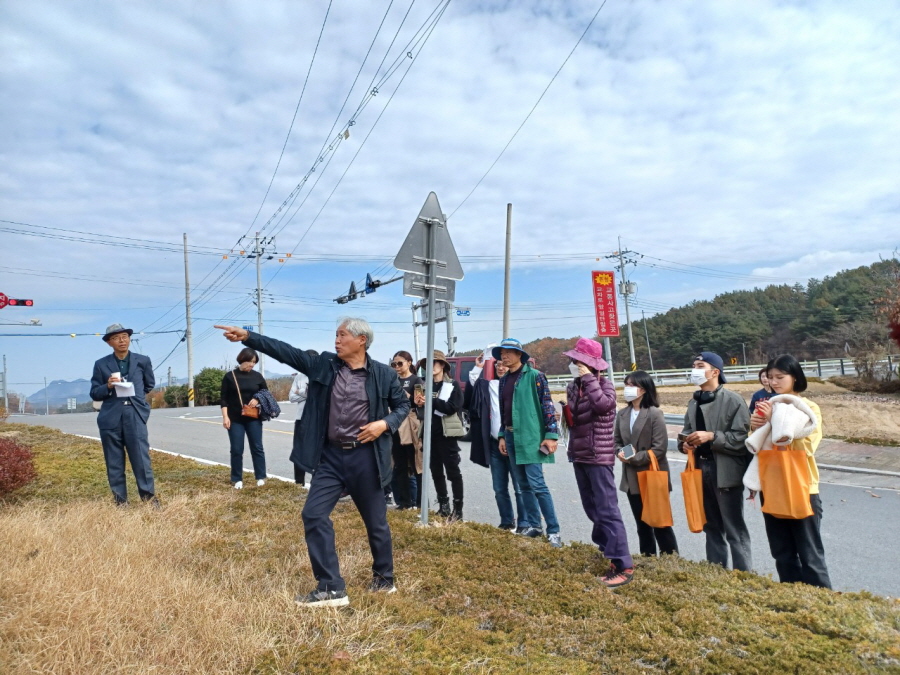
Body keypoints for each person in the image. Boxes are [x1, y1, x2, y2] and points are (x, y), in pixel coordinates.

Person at [214, 319, 409, 608]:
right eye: (336, 335)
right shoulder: (324, 366)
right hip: (330, 457)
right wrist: (249, 337)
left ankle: (384, 578)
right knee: (314, 514)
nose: (337, 340)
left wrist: (384, 423)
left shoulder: (383, 374)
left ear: (361, 340)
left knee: (375, 522)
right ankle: (331, 587)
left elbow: (403, 406)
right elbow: (286, 352)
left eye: (342, 335)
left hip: (365, 457)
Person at [751, 355, 831, 588]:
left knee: (810, 555)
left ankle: (823, 607)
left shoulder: (808, 408)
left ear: (795, 377)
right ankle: (791, 603)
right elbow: (756, 448)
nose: (774, 382)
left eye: (780, 377)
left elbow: (806, 447)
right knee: (782, 553)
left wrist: (773, 422)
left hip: (801, 487)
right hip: (772, 486)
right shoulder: (768, 407)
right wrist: (755, 426)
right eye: (770, 377)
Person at [564, 338, 633, 586]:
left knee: (607, 509)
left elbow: (603, 406)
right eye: (572, 360)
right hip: (580, 453)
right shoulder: (573, 387)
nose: (573, 364)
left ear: (589, 364)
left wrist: (590, 380)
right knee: (592, 508)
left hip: (598, 455)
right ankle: (609, 552)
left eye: (577, 361)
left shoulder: (605, 386)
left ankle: (624, 564)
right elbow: (576, 417)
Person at [678, 352, 753, 572]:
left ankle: (744, 576)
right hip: (701, 468)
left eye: (700, 366)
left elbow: (743, 439)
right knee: (710, 526)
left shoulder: (733, 400)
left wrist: (712, 436)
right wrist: (685, 444)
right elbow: (686, 432)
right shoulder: (694, 401)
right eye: (693, 365)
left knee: (733, 527)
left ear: (715, 372)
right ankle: (716, 573)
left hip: (726, 471)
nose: (694, 370)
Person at [494, 338, 562, 547]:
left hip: (531, 436)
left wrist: (551, 435)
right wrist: (502, 435)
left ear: (519, 355)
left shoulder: (535, 376)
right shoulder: (504, 379)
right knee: (523, 485)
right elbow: (504, 411)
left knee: (537, 484)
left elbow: (548, 406)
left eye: (509, 352)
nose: (504, 356)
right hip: (511, 435)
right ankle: (534, 525)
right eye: (502, 352)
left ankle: (554, 531)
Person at [89, 323, 158, 507]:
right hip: (111, 417)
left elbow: (149, 385)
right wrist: (108, 386)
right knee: (114, 461)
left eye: (125, 336)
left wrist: (139, 403)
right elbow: (95, 393)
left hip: (135, 414)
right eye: (117, 338)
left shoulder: (142, 361)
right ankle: (121, 502)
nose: (122, 340)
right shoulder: (101, 364)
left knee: (141, 459)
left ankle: (149, 498)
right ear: (109, 342)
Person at [615, 370, 678, 559]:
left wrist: (633, 457)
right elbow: (616, 441)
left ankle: (671, 561)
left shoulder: (654, 414)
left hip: (652, 475)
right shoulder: (623, 414)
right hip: (631, 477)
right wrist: (623, 454)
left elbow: (659, 449)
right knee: (642, 525)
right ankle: (648, 560)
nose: (628, 389)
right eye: (626, 384)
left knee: (660, 522)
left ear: (643, 389)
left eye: (632, 385)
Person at [466, 351, 524, 531]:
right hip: (493, 442)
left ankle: (525, 523)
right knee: (499, 488)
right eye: (497, 364)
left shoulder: (519, 384)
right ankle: (507, 521)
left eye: (504, 364)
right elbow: (473, 385)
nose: (501, 367)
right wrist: (478, 367)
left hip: (515, 441)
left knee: (520, 487)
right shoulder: (490, 385)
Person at [414, 350, 465, 521]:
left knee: (453, 472)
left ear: (443, 365)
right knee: (435, 470)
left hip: (447, 435)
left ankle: (458, 509)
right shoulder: (425, 385)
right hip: (429, 433)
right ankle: (444, 505)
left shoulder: (452, 385)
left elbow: (452, 407)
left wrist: (430, 400)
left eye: (435, 362)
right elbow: (420, 413)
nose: (431, 366)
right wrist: (419, 404)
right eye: (428, 363)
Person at [220, 348, 269, 489]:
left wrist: (257, 399)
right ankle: (237, 478)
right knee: (236, 449)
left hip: (253, 418)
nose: (252, 365)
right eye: (250, 361)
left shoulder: (258, 376)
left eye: (254, 362)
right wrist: (225, 417)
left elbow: (266, 394)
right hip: (235, 419)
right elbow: (223, 399)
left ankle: (260, 476)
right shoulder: (230, 376)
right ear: (242, 360)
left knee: (257, 447)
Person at [389, 350, 423, 510]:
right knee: (399, 464)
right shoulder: (392, 379)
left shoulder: (416, 380)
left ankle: (421, 503)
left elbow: (421, 403)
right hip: (395, 423)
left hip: (410, 423)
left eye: (399, 363)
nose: (396, 367)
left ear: (409, 363)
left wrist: (407, 396)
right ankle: (404, 502)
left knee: (416, 464)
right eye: (393, 364)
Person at [289, 350, 319, 487]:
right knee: (299, 449)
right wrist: (306, 392)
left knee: (317, 451)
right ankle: (298, 482)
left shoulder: (320, 374)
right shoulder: (299, 376)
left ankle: (316, 482)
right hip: (300, 418)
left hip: (317, 418)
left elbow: (316, 394)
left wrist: (299, 391)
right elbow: (291, 397)